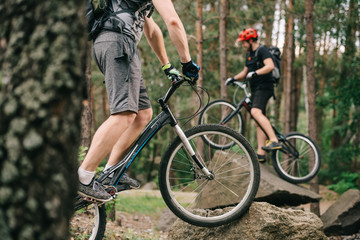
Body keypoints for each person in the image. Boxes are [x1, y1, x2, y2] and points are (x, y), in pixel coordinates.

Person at [78, 0, 200, 201]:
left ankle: (111, 172)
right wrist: (186, 61)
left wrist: (167, 66)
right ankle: (84, 176)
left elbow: (152, 30)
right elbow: (173, 22)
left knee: (143, 114)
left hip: (117, 43)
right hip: (118, 42)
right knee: (124, 115)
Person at [225, 28, 281, 163]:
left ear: (251, 40)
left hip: (265, 87)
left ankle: (274, 140)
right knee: (258, 121)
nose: (242, 45)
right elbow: (245, 72)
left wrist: (256, 73)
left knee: (255, 112)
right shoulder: (249, 54)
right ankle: (261, 154)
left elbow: (270, 66)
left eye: (244, 42)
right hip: (255, 89)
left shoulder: (262, 50)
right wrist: (233, 78)